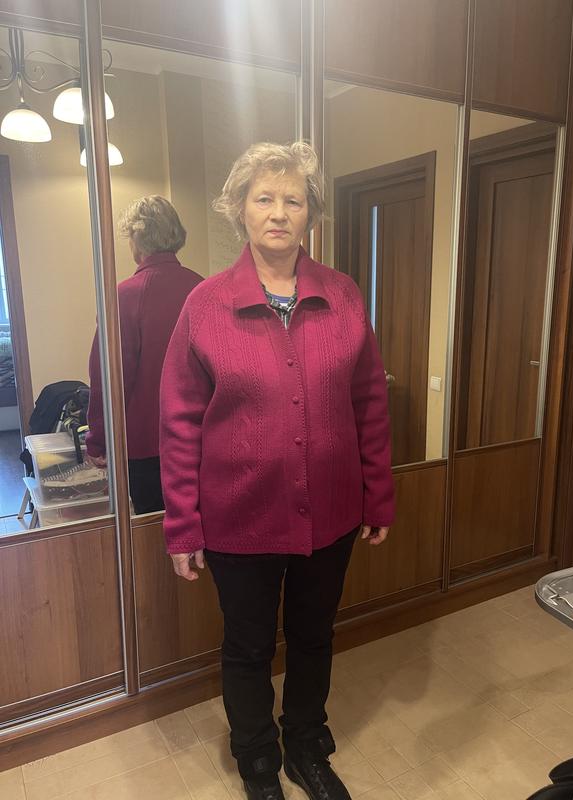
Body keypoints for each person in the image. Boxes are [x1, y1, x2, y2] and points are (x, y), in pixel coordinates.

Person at [160, 142, 394, 800]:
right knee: (248, 647)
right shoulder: (205, 304)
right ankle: (258, 762)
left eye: (293, 200)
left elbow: (369, 402)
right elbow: (178, 421)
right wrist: (183, 526)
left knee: (315, 637)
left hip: (333, 513)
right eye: (264, 197)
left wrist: (378, 496)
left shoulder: (343, 296)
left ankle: (306, 748)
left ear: (310, 213)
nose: (278, 212)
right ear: (240, 207)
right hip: (239, 519)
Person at [86, 195, 202, 514]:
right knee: (200, 522)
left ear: (137, 240)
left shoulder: (123, 297)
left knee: (152, 529)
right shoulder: (204, 289)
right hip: (201, 439)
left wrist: (98, 439)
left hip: (146, 444)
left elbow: (109, 377)